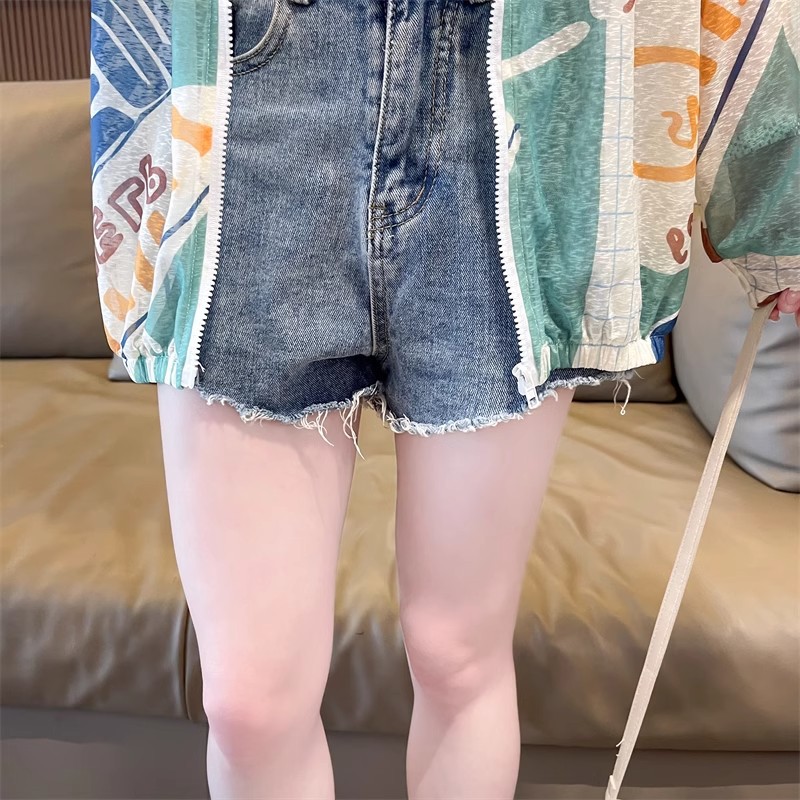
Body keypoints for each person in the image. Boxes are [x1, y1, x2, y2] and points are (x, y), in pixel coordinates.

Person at [90, 0, 799, 796]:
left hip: (515, 95)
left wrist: (783, 201)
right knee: (249, 704)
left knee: (456, 654)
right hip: (251, 91)